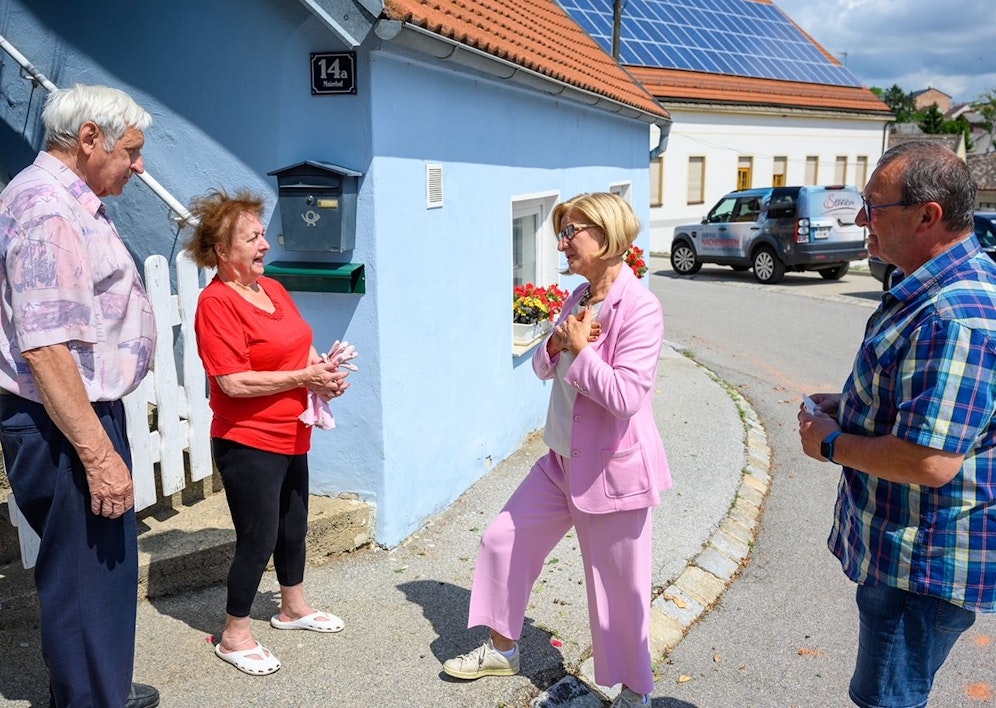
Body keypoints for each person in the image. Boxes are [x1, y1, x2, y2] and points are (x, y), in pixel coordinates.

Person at [443, 192, 670, 708]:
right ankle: (504, 650)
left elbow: (626, 397)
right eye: (561, 231)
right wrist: (557, 343)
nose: (561, 243)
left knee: (620, 592)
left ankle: (636, 693)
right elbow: (545, 367)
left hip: (614, 471)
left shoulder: (640, 308)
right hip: (560, 462)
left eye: (571, 232)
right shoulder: (579, 298)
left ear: (607, 236)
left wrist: (583, 350)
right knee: (503, 539)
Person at [798, 140, 996, 708]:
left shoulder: (954, 316)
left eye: (873, 206)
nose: (862, 220)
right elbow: (938, 410)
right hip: (912, 554)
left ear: (927, 215)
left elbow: (929, 460)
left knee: (887, 698)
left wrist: (832, 443)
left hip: (922, 564)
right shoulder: (935, 291)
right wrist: (853, 404)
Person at [0, 84, 160, 707]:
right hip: (66, 423)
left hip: (72, 418)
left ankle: (98, 691)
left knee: (97, 577)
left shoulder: (70, 200)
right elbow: (46, 350)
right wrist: (98, 455)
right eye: (132, 151)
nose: (140, 165)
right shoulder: (48, 211)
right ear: (89, 139)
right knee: (86, 583)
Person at [185, 189, 355, 675]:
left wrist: (322, 371)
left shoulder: (272, 289)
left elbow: (297, 346)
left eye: (263, 234)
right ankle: (234, 634)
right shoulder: (216, 304)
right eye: (252, 237)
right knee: (257, 538)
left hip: (292, 430)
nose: (265, 243)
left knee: (293, 525)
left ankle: (292, 608)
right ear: (222, 251)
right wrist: (304, 378)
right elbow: (232, 382)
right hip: (247, 438)